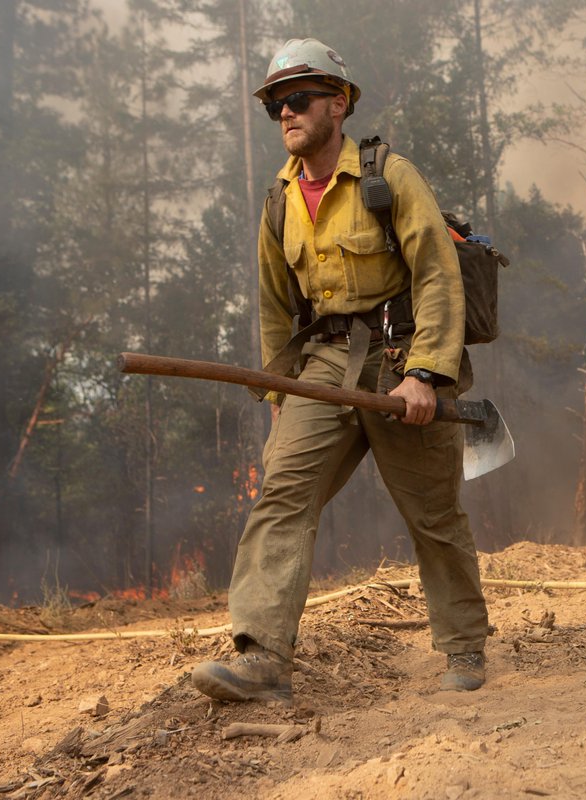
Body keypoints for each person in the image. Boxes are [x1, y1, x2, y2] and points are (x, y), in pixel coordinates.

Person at [192, 38, 489, 701]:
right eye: (275, 104)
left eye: (298, 99)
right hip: (322, 364)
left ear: (339, 102)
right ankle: (263, 659)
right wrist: (278, 391)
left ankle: (464, 647)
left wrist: (427, 376)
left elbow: (439, 279)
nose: (286, 113)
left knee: (433, 512)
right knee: (281, 492)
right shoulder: (280, 200)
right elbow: (274, 306)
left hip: (397, 356)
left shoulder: (391, 176)